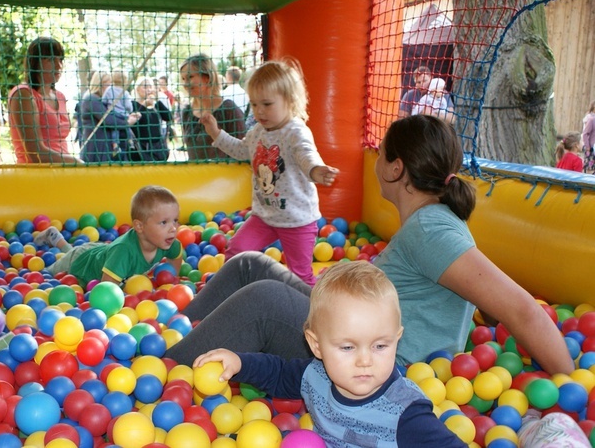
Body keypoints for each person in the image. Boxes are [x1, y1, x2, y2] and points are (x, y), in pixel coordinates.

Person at [164, 115, 574, 377]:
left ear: (396, 168)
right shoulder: (429, 222)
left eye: (379, 153)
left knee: (265, 299)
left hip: (376, 363)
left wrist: (570, 387)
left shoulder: (431, 229)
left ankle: (166, 371)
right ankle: (175, 330)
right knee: (251, 264)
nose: (374, 159)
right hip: (353, 328)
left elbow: (520, 308)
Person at [194, 261, 466, 447]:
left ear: (397, 339)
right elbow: (277, 374)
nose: (365, 360)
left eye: (380, 346)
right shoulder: (315, 376)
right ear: (316, 346)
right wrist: (239, 363)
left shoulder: (405, 413)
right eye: (347, 347)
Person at [200, 60, 339, 285]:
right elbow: (240, 150)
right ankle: (229, 290)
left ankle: (311, 313)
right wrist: (216, 133)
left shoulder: (295, 131)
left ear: (290, 101)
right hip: (265, 216)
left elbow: (305, 154)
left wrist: (315, 170)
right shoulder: (258, 132)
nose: (259, 111)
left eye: (267, 104)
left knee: (300, 276)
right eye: (254, 104)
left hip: (297, 219)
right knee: (236, 250)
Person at [34, 185, 183, 288]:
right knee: (46, 275)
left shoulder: (169, 242)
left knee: (80, 251)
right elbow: (107, 289)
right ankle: (52, 235)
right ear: (139, 226)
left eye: (175, 220)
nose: (173, 228)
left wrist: (171, 280)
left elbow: (175, 257)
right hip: (81, 262)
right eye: (163, 222)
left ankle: (55, 237)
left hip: (103, 253)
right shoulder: (123, 252)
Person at [7, 37, 81, 164]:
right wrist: (76, 162)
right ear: (35, 62)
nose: (59, 65)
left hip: (62, 174)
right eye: (51, 59)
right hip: (36, 176)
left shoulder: (60, 97)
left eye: (61, 59)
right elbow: (35, 154)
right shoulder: (23, 95)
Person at [179, 54, 245, 160]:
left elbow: (243, 152)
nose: (185, 84)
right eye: (183, 79)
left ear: (207, 77)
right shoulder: (187, 111)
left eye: (190, 77)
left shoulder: (229, 109)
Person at [131, 76, 172, 162]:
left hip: (158, 149)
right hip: (142, 150)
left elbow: (168, 117)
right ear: (137, 89)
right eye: (145, 87)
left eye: (150, 87)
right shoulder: (133, 104)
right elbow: (134, 123)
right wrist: (144, 105)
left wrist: (157, 100)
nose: (149, 89)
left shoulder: (155, 105)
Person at [102, 70, 138, 161]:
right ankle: (131, 142)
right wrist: (130, 111)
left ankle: (115, 145)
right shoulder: (124, 92)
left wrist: (107, 106)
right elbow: (128, 106)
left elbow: (103, 100)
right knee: (127, 127)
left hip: (113, 113)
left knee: (115, 129)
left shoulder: (109, 89)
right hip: (123, 114)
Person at [75, 72, 110, 163]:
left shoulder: (105, 100)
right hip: (94, 148)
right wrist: (127, 122)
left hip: (103, 148)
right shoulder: (91, 99)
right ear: (100, 84)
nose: (110, 88)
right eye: (108, 84)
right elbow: (109, 120)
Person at [581, 101, 595, 174]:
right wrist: (587, 147)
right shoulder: (591, 119)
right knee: (589, 168)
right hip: (590, 148)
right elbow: (585, 134)